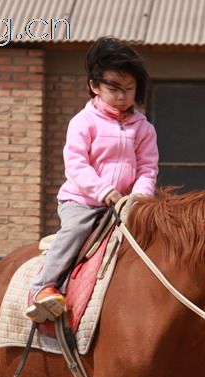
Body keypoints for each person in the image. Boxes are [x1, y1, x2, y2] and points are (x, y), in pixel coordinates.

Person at [25, 36, 159, 322]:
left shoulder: (144, 128)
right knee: (74, 232)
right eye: (113, 88)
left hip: (126, 205)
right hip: (83, 201)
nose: (122, 96)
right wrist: (103, 191)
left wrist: (138, 197)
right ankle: (41, 288)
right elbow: (76, 165)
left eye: (129, 89)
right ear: (94, 86)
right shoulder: (83, 122)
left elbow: (148, 167)